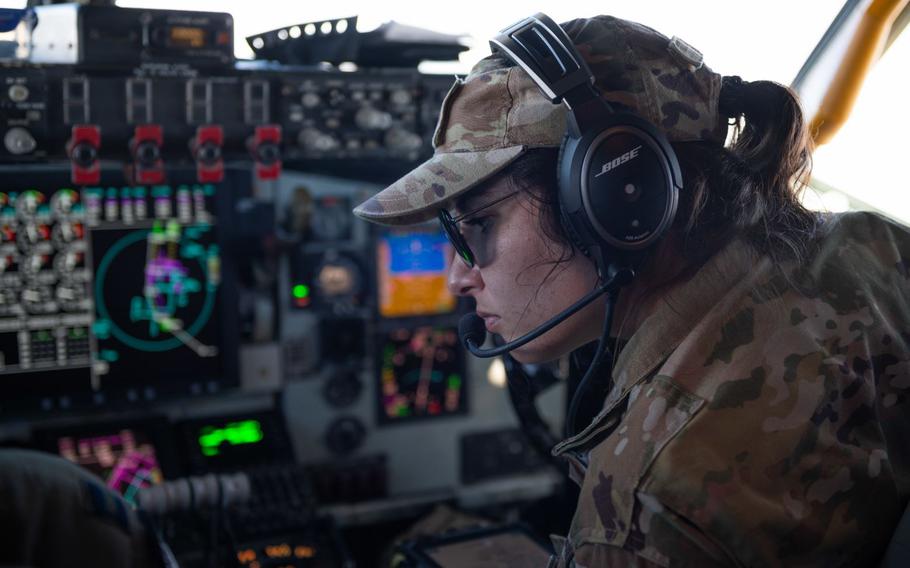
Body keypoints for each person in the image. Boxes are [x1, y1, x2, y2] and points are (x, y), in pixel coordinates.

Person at [353, 13, 910, 568]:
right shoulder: (872, 246)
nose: (457, 276)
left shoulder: (643, 513)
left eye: (477, 225)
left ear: (612, 196)